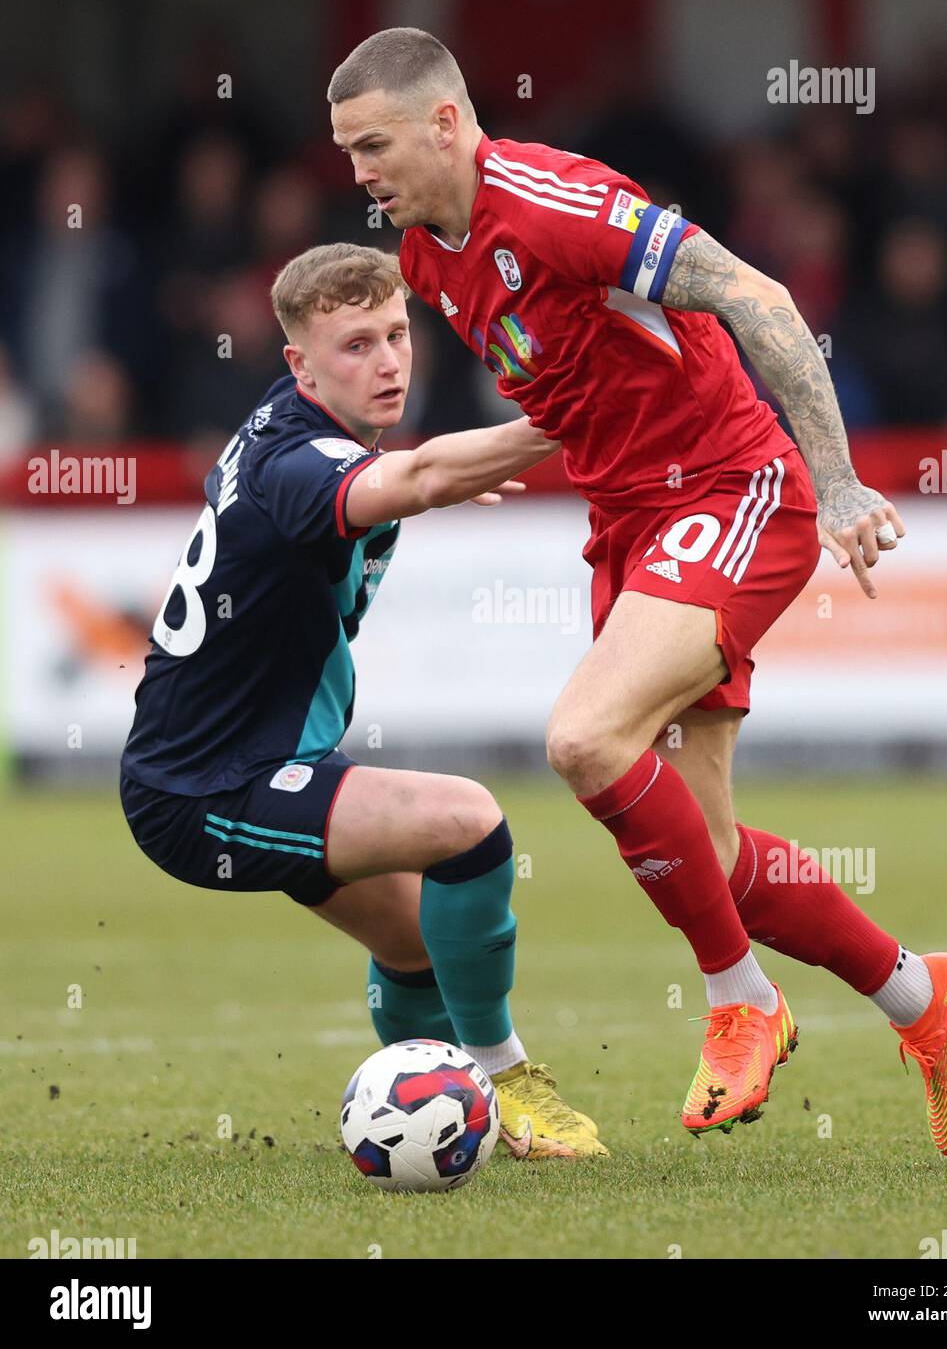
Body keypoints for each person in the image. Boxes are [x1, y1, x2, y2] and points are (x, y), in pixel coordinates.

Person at [325, 30, 947, 1157]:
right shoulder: (428, 255)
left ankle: (745, 1001)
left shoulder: (555, 203)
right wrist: (466, 467)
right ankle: (922, 996)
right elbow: (576, 383)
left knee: (586, 739)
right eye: (346, 151)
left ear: (446, 123)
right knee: (712, 853)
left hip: (731, 489)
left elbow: (754, 294)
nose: (358, 172)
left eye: (374, 144)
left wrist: (832, 482)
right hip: (629, 524)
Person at [120, 242, 607, 1159]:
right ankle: (506, 1080)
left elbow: (409, 478)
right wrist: (578, 413)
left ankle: (441, 1120)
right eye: (354, 346)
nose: (387, 362)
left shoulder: (311, 436)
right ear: (298, 364)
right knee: (468, 822)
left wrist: (432, 478)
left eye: (396, 334)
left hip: (262, 765)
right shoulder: (293, 464)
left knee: (418, 942)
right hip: (206, 790)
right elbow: (413, 479)